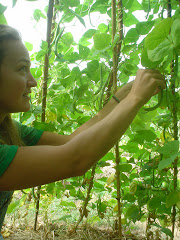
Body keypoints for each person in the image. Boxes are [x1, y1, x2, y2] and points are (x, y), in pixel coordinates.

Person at [0, 24, 165, 239]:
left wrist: (121, 97)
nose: (32, 81)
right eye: (22, 68)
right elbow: (75, 159)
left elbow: (71, 141)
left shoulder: (8, 128)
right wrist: (135, 100)